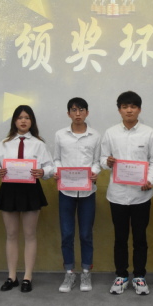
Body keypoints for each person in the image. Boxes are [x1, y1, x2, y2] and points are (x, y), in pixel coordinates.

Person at [100, 91, 153, 295]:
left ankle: (140, 276)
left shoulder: (148, 132)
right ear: (119, 110)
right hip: (117, 195)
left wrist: (150, 180)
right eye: (125, 106)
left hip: (141, 196)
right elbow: (102, 159)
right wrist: (107, 162)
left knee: (140, 238)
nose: (129, 110)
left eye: (133, 106)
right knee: (120, 238)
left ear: (139, 109)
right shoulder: (110, 133)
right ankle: (121, 275)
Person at [0, 105, 53, 293]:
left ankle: (27, 277)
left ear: (32, 121)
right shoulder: (4, 143)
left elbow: (50, 167)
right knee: (11, 234)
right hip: (9, 190)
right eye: (20, 117)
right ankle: (12, 276)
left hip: (31, 190)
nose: (23, 121)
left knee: (30, 234)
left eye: (27, 117)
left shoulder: (39, 144)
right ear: (14, 121)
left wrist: (43, 172)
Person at [53, 97, 101, 293]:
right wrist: (58, 171)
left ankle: (86, 272)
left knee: (85, 234)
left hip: (88, 192)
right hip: (66, 192)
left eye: (81, 110)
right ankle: (69, 272)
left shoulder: (95, 135)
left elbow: (97, 161)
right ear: (68, 113)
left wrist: (95, 172)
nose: (78, 113)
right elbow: (56, 159)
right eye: (74, 110)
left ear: (87, 112)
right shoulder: (60, 135)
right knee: (67, 234)